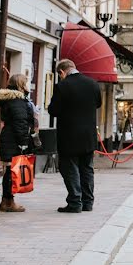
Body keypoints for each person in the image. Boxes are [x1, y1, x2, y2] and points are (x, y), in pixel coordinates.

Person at [49, 59, 102, 213]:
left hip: (69, 135)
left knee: (69, 168)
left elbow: (54, 110)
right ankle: (88, 202)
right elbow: (98, 104)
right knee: (87, 168)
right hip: (88, 135)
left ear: (61, 72)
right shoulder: (92, 83)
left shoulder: (62, 86)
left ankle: (74, 202)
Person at [0, 75, 34, 212]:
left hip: (8, 137)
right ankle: (8, 202)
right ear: (21, 84)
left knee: (10, 171)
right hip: (14, 139)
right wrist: (23, 142)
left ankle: (7, 201)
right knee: (11, 171)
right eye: (26, 83)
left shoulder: (10, 100)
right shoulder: (17, 101)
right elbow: (20, 122)